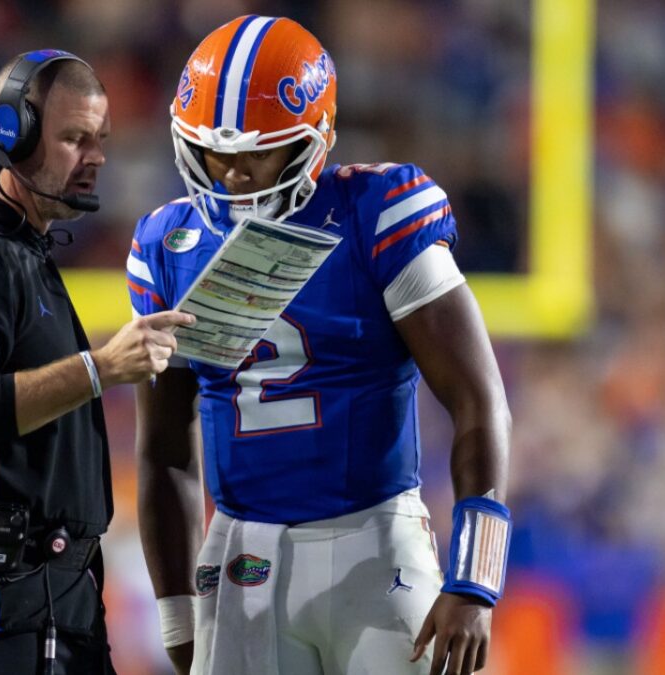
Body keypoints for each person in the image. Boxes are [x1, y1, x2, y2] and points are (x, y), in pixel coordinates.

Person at [128, 16, 511, 675]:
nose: (233, 172)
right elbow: (164, 450)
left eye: (257, 151)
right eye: (214, 150)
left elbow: (481, 402)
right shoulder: (167, 245)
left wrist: (475, 578)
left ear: (313, 141)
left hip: (374, 541)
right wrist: (175, 609)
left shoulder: (377, 211)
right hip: (243, 549)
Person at [0, 50, 194, 674]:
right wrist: (101, 367)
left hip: (43, 610)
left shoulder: (18, 248)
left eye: (101, 139)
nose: (96, 156)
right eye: (74, 138)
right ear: (9, 133)